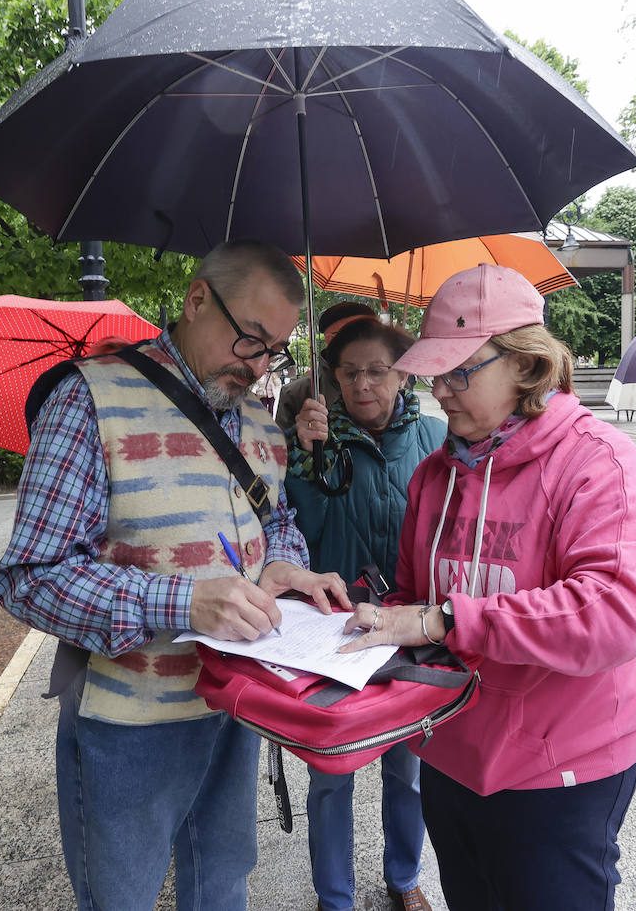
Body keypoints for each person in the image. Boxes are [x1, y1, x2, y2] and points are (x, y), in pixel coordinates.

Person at [0, 239, 351, 911]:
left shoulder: (257, 422)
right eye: (250, 339)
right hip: (128, 720)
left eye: (273, 350)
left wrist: (285, 566)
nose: (257, 365)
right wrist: (183, 602)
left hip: (239, 699)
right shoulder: (86, 399)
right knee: (119, 894)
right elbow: (29, 575)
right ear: (195, 300)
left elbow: (273, 524)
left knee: (221, 880)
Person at [336, 264, 636, 911]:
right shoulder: (437, 474)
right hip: (449, 751)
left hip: (561, 768)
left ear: (527, 366)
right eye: (436, 372)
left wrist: (443, 621)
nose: (442, 390)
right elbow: (412, 593)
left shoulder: (598, 463)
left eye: (461, 372)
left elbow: (611, 616)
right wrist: (360, 621)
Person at [286, 318, 445, 911]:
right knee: (331, 774)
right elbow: (303, 534)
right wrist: (305, 460)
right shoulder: (318, 441)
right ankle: (335, 897)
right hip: (336, 627)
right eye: (349, 373)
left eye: (376, 370)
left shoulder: (435, 437)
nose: (363, 384)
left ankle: (404, 879)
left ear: (402, 372)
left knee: (407, 769)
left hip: (408, 627)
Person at [273, 301, 377, 431]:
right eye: (352, 334)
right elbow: (279, 448)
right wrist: (300, 442)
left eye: (372, 334)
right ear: (330, 339)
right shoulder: (296, 394)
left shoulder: (395, 388)